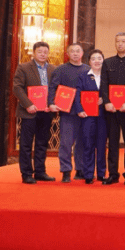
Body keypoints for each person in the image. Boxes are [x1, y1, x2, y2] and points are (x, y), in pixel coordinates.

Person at [13, 41, 56, 184]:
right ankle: (26, 173)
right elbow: (17, 88)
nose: (43, 54)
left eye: (45, 52)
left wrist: (52, 104)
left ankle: (40, 172)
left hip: (46, 111)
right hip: (29, 111)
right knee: (26, 144)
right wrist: (28, 104)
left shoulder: (53, 69)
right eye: (40, 52)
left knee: (42, 143)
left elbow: (56, 89)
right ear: (34, 52)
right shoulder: (24, 67)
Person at [99, 32, 125, 185]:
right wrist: (106, 102)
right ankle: (113, 174)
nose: (120, 44)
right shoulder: (108, 62)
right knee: (112, 142)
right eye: (117, 41)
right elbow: (103, 84)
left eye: (123, 41)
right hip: (111, 110)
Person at [48, 43, 89, 182]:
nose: (75, 53)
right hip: (67, 112)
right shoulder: (61, 69)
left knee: (82, 143)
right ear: (67, 54)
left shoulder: (88, 69)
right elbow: (53, 87)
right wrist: (51, 103)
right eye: (72, 51)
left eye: (78, 51)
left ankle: (80, 170)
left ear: (82, 53)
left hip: (85, 112)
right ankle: (66, 171)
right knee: (66, 143)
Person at [75, 49, 107, 184]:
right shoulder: (83, 76)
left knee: (101, 145)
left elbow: (113, 92)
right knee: (88, 144)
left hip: (104, 115)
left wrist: (104, 99)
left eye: (99, 58)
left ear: (103, 60)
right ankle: (88, 174)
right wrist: (79, 110)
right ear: (89, 62)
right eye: (93, 59)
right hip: (87, 115)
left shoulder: (107, 75)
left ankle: (101, 174)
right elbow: (77, 94)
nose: (97, 61)